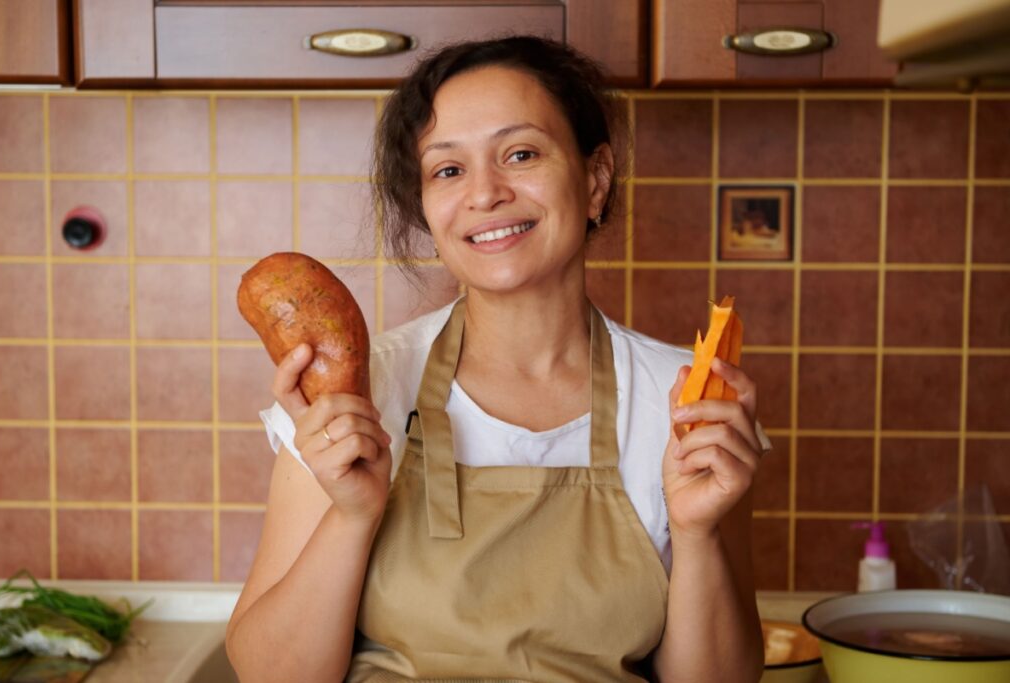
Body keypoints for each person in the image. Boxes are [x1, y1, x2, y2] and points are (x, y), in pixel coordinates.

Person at [225, 36, 769, 682]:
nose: (485, 193)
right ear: (427, 207)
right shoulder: (355, 397)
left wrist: (699, 532)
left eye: (521, 153)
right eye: (448, 170)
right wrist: (352, 514)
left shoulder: (684, 397)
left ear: (595, 180)